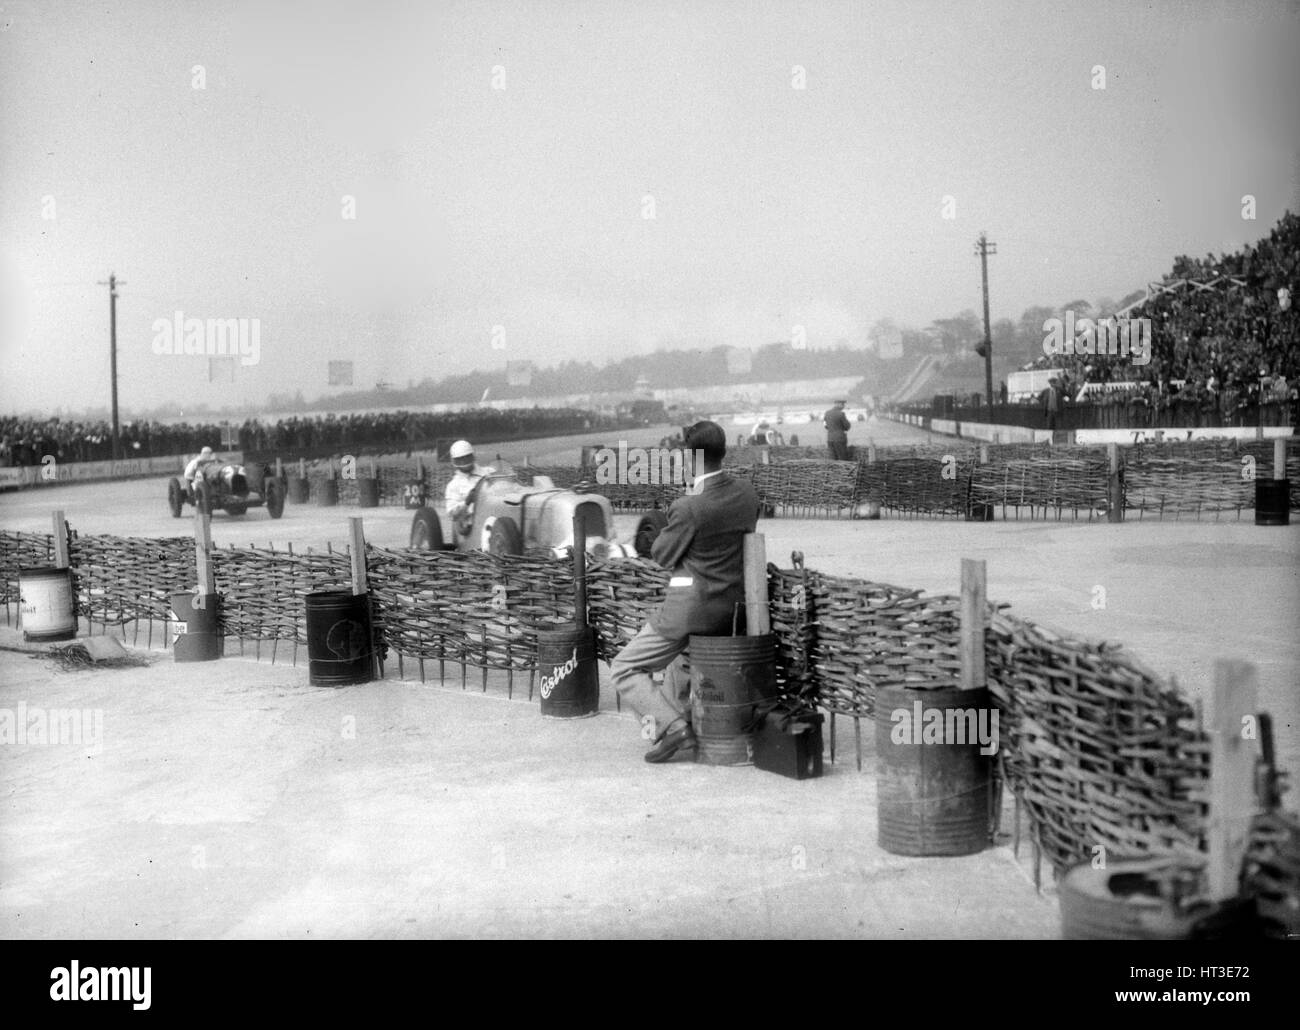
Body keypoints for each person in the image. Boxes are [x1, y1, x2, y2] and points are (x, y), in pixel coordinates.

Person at [610, 421, 761, 763]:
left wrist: (674, 515)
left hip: (692, 611)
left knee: (624, 667)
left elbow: (661, 554)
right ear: (723, 452)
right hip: (734, 608)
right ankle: (680, 721)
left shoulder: (688, 507)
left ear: (691, 459)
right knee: (680, 661)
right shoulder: (747, 494)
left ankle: (674, 729)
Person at [444, 439, 495, 535]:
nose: (464, 461)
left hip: (495, 514)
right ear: (454, 460)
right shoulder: (453, 485)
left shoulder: (489, 472)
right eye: (460, 459)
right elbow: (452, 514)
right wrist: (467, 502)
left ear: (472, 456)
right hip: (472, 525)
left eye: (467, 457)